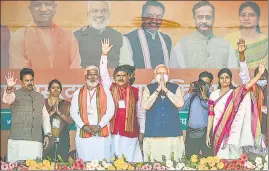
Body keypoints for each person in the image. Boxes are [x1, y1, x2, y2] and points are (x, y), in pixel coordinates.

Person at [206, 61, 266, 159]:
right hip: (218, 132)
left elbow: (247, 85)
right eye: (222, 77)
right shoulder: (213, 95)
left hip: (233, 132)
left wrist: (259, 74)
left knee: (235, 160)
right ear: (219, 80)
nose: (224, 80)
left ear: (230, 79)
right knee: (220, 160)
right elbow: (210, 115)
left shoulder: (234, 93)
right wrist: (208, 134)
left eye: (227, 77)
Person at [99, 39, 144, 162]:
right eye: (117, 75)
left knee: (129, 161)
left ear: (128, 77)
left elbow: (140, 114)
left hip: (130, 133)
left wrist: (142, 131)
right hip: (112, 132)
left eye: (123, 75)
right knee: (112, 161)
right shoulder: (110, 87)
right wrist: (104, 55)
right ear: (114, 77)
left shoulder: (136, 91)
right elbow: (103, 73)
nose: (120, 77)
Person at [9, 0, 81, 69]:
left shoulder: (68, 36)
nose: (43, 9)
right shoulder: (20, 37)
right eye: (37, 5)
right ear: (30, 9)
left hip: (65, 81)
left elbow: (75, 71)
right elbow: (21, 74)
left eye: (48, 4)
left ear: (54, 7)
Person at [2, 68, 52, 162]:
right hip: (18, 141)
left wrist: (47, 134)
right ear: (21, 82)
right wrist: (9, 88)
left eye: (31, 80)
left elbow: (45, 117)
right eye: (27, 80)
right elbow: (6, 99)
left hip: (35, 141)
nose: (30, 83)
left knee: (35, 167)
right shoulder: (14, 94)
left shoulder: (40, 97)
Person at [170, 0, 238, 68]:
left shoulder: (226, 46)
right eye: (200, 17)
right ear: (194, 19)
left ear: (214, 19)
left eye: (208, 17)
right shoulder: (181, 45)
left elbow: (233, 73)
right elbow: (175, 74)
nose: (204, 21)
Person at [70, 65, 115, 162]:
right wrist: (84, 126)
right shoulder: (78, 93)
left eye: (95, 75)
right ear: (85, 77)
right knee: (84, 162)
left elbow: (110, 111)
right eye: (90, 74)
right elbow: (74, 113)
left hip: (101, 134)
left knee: (103, 163)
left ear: (98, 77)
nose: (93, 77)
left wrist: (99, 126)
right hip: (83, 134)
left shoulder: (106, 91)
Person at [142, 64, 185, 162]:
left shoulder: (175, 88)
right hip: (154, 132)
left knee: (173, 161)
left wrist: (165, 90)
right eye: (159, 73)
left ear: (168, 74)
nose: (161, 76)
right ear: (154, 75)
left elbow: (180, 103)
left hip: (172, 132)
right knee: (154, 161)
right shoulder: (148, 88)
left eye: (164, 73)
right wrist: (157, 90)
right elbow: (145, 105)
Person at [74, 1, 132, 68]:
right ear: (88, 14)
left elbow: (127, 66)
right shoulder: (75, 37)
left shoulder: (119, 37)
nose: (99, 15)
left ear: (109, 14)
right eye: (94, 11)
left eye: (104, 11)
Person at [237, 38, 268, 148]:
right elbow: (244, 71)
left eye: (264, 76)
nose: (262, 78)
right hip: (252, 127)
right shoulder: (251, 87)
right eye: (259, 76)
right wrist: (241, 53)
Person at [124, 1, 172, 69]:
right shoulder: (129, 39)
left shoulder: (166, 40)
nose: (154, 20)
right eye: (149, 16)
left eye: (158, 16)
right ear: (142, 17)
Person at [225, 1, 268, 69]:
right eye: (243, 15)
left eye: (251, 15)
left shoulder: (265, 40)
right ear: (239, 17)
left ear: (258, 18)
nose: (246, 19)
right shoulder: (228, 39)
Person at [182, 71, 213, 158]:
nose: (203, 85)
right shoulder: (192, 96)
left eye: (206, 83)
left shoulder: (213, 97)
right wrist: (189, 92)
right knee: (190, 161)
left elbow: (211, 109)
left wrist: (205, 98)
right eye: (201, 83)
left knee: (208, 162)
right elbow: (181, 107)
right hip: (191, 134)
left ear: (211, 84)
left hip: (206, 134)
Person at [43, 79, 74, 162]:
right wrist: (52, 112)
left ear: (61, 89)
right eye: (53, 87)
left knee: (62, 162)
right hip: (47, 137)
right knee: (46, 163)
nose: (56, 89)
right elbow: (39, 120)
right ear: (49, 89)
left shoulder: (66, 104)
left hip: (62, 138)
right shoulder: (43, 103)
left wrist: (59, 113)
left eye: (58, 87)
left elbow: (71, 121)